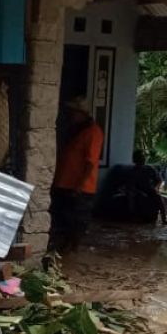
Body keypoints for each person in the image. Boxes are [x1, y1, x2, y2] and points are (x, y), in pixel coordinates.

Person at [50, 96, 104, 253]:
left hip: (80, 187)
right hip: (64, 183)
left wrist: (80, 185)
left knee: (76, 220)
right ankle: (63, 249)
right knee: (62, 218)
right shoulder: (75, 131)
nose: (70, 115)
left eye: (72, 112)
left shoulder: (93, 132)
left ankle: (72, 248)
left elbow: (91, 161)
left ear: (81, 113)